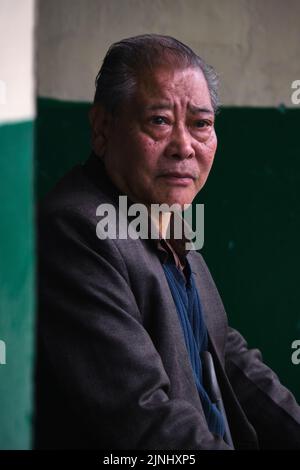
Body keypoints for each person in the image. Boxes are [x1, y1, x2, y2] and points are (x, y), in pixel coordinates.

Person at [34, 34, 300, 450]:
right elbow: (143, 421)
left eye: (201, 124)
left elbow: (225, 352)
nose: (183, 147)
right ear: (102, 129)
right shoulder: (77, 229)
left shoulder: (160, 215)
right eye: (159, 121)